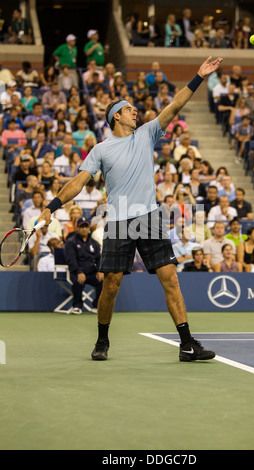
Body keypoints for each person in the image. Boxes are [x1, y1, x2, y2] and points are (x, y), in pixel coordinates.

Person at [37, 55, 223, 362]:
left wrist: (198, 76)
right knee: (111, 284)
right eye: (128, 109)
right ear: (115, 118)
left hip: (149, 217)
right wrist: (51, 205)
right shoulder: (101, 149)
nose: (134, 112)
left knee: (171, 279)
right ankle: (102, 341)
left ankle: (187, 344)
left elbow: (175, 106)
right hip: (120, 220)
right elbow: (78, 181)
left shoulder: (147, 133)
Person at [64, 217, 103, 314]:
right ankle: (77, 305)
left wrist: (100, 270)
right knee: (78, 281)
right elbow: (71, 260)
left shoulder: (94, 243)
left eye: (86, 226)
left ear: (89, 228)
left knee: (102, 280)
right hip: (76, 272)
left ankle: (97, 305)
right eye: (81, 227)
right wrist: (79, 272)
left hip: (91, 272)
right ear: (77, 228)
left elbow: (99, 258)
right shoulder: (71, 242)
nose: (84, 229)